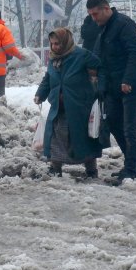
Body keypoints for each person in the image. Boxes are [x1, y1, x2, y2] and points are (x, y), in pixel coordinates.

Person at [87, 0, 136, 185]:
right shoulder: (104, 29)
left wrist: (128, 79)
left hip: (131, 86)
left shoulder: (124, 24)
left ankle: (131, 169)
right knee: (113, 122)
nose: (94, 18)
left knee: (129, 128)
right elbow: (99, 56)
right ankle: (134, 164)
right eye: (91, 15)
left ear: (106, 9)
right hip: (113, 86)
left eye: (95, 14)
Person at [34, 27, 102, 179]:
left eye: (57, 43)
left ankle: (91, 169)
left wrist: (96, 81)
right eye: (52, 44)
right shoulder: (53, 59)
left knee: (83, 139)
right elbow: (48, 78)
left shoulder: (81, 55)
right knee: (55, 138)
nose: (54, 47)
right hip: (59, 108)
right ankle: (55, 168)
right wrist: (40, 94)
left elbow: (100, 67)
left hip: (79, 107)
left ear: (66, 42)